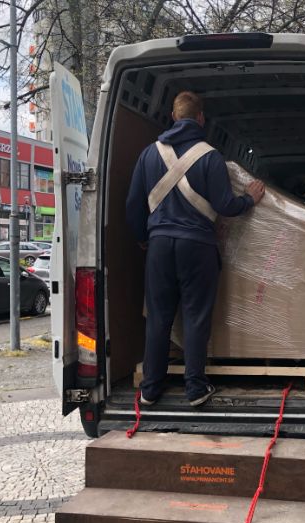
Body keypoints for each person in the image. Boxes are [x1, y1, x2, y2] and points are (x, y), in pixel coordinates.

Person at [126, 90, 265, 407]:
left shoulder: (149, 155)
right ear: (201, 118)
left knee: (158, 317)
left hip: (159, 246)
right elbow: (226, 206)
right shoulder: (211, 157)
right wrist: (249, 199)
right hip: (197, 247)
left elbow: (133, 205)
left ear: (173, 117)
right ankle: (195, 388)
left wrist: (143, 237)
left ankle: (150, 389)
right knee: (195, 316)